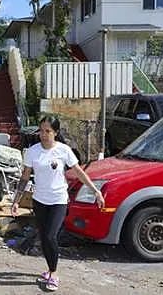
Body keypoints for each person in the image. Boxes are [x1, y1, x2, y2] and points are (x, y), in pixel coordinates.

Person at [12, 115, 105, 291]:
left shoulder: (63, 150)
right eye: (41, 130)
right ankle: (49, 268)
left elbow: (79, 172)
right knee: (44, 237)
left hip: (58, 201)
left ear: (55, 132)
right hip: (39, 201)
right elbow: (25, 178)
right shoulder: (32, 151)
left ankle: (54, 274)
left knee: (50, 236)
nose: (44, 134)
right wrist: (16, 201)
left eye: (48, 131)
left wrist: (96, 191)